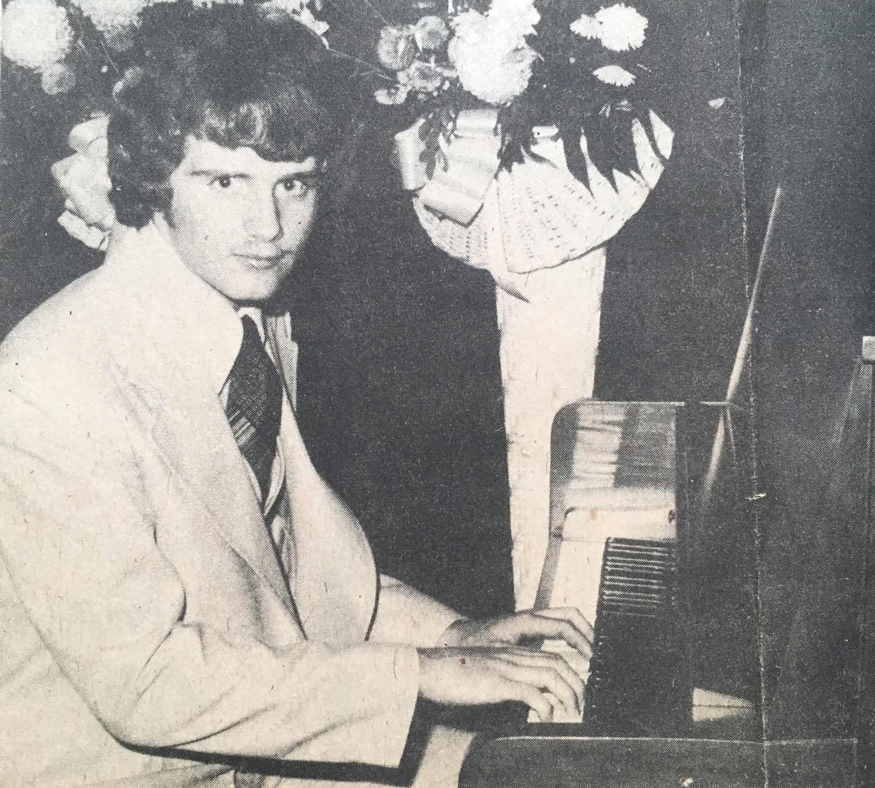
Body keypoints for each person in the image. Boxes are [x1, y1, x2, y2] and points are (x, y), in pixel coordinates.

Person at [0, 6, 591, 788]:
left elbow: (286, 565)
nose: (267, 225)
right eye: (224, 181)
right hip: (107, 772)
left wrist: (454, 629)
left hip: (248, 747)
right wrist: (419, 673)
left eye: (295, 184)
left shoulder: (247, 317)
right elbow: (145, 687)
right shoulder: (46, 386)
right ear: (152, 179)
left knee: (574, 769)